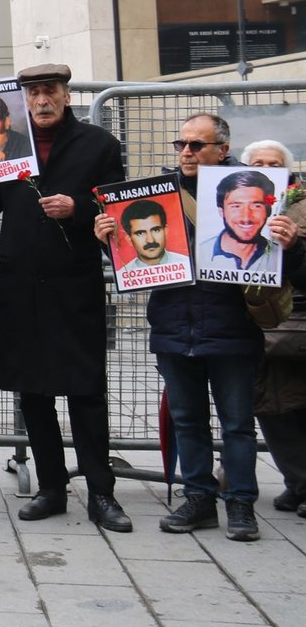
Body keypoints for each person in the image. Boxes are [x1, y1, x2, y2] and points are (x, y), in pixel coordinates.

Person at [95, 114, 303, 540]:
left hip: (233, 329)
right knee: (188, 421)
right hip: (175, 326)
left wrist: (292, 243)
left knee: (237, 424)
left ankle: (241, 505)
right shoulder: (157, 193)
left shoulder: (253, 193)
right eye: (181, 144)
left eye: (197, 145)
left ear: (222, 149)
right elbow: (137, 259)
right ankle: (199, 500)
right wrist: (108, 238)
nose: (186, 152)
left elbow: (291, 267)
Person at [0, 63, 132, 532]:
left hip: (75, 284)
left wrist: (78, 208)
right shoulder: (10, 146)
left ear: (66, 96)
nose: (41, 100)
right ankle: (51, 488)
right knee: (33, 393)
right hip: (21, 284)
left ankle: (102, 493)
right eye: (32, 94)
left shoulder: (98, 144)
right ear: (23, 101)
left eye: (49, 91)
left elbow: (116, 207)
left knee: (86, 391)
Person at [241, 140, 306, 516]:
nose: (267, 168)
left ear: (290, 174)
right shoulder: (238, 206)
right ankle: (297, 482)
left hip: (293, 323)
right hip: (263, 322)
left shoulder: (299, 210)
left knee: (289, 404)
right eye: (258, 164)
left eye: (274, 164)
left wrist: (294, 245)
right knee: (272, 404)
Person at [204, 169, 277, 272]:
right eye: (236, 206)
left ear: (268, 211)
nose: (246, 218)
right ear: (221, 211)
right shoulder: (198, 253)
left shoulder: (281, 255)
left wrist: (294, 249)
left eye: (256, 206)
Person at [117, 200, 191, 273]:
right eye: (140, 233)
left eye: (156, 230)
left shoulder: (188, 265)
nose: (150, 240)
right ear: (129, 239)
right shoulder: (122, 276)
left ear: (166, 231)